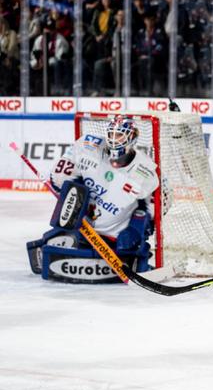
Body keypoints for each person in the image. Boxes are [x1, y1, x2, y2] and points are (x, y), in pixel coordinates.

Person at [26, 116, 160, 283]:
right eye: (111, 134)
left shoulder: (145, 171)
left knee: (131, 249)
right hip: (85, 228)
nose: (113, 140)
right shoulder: (88, 146)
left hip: (114, 236)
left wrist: (138, 228)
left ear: (132, 137)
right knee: (48, 245)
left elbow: (154, 206)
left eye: (119, 135)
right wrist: (75, 200)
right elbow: (59, 178)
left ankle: (134, 258)